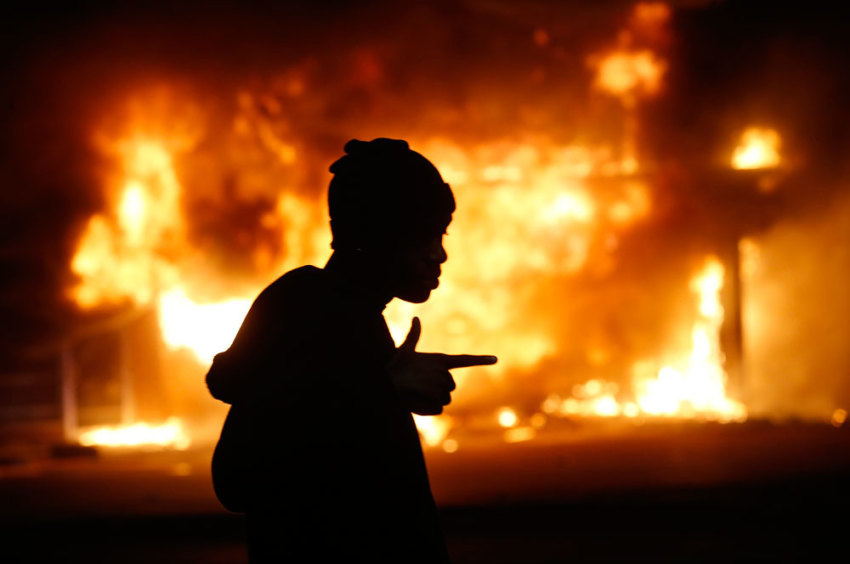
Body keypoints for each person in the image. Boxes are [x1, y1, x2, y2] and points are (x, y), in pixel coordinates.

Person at [206, 138, 498, 563]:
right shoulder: (308, 308)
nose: (440, 254)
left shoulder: (349, 314)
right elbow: (240, 476)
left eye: (442, 234)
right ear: (381, 235)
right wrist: (383, 388)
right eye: (425, 236)